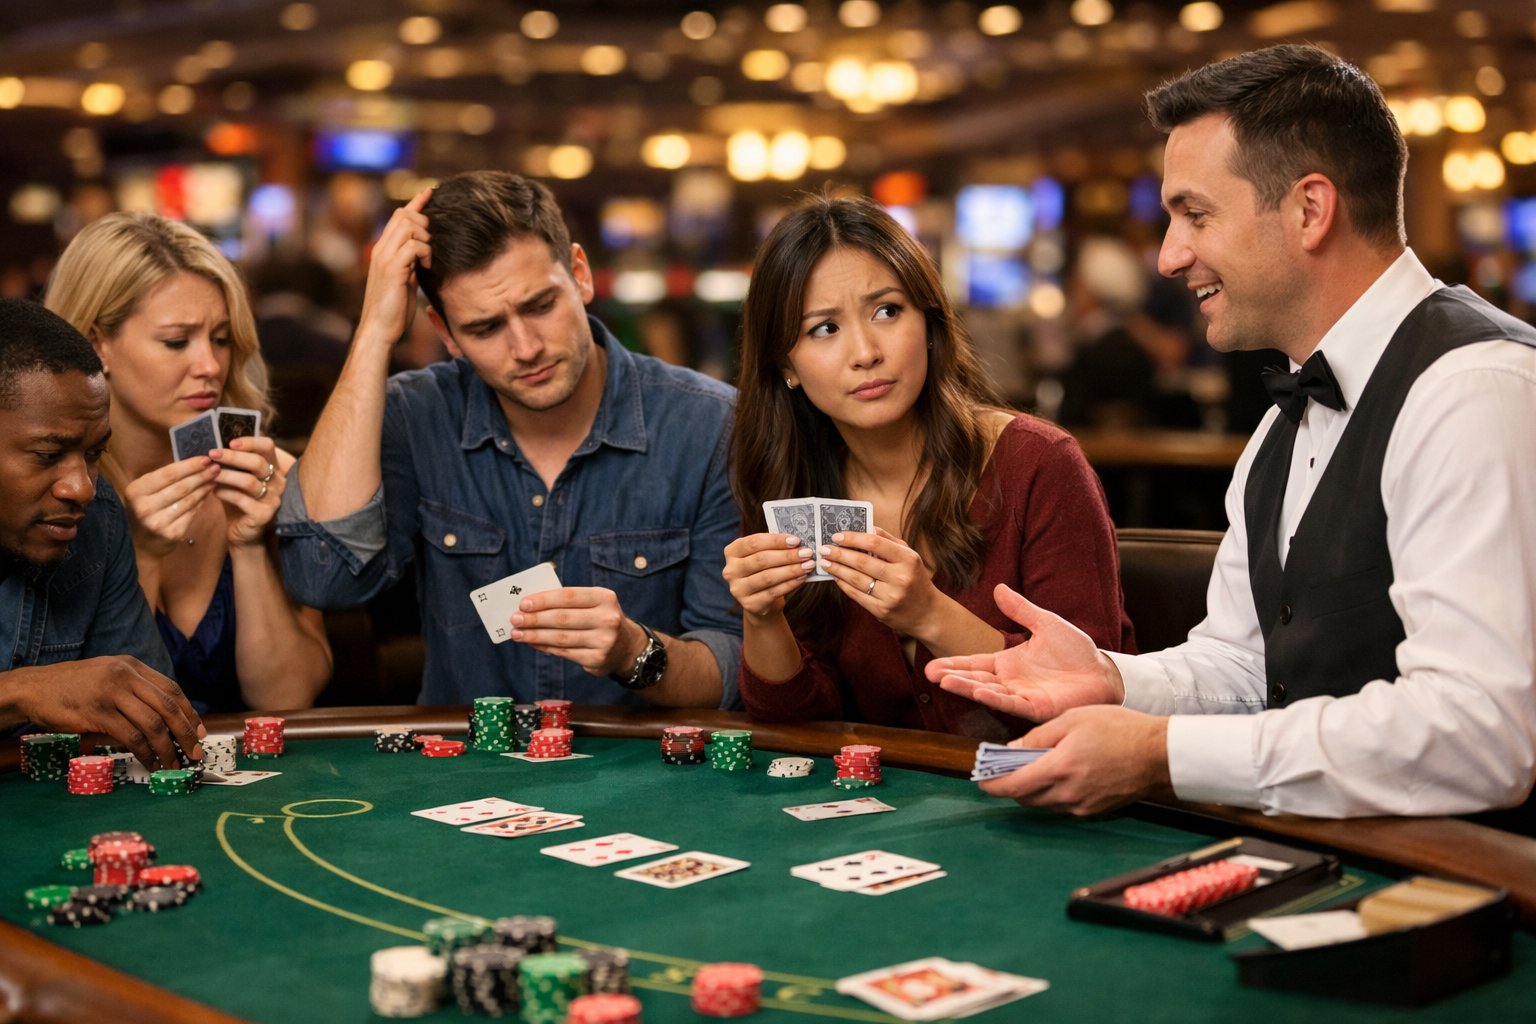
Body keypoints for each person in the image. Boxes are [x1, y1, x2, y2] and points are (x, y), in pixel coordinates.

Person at [929, 44, 1536, 825]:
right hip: (1335, 865)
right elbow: (1245, 664)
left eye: (1195, 214)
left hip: (1483, 899)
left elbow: (1479, 735)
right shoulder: (1287, 418)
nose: (1169, 256)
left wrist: (1160, 753)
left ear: (1310, 210)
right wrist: (1116, 682)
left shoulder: (1474, 391)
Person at [276, 171, 740, 707]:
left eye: (541, 306)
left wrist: (633, 652)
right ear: (445, 333)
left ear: (581, 275)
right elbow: (322, 579)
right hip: (467, 775)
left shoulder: (708, 424)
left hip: (646, 776)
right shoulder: (415, 413)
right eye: (485, 328)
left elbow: (731, 673)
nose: (526, 348)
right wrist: (374, 332)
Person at [725, 193, 1132, 740]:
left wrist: (929, 614)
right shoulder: (790, 487)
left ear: (930, 322)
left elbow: (1097, 699)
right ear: (786, 365)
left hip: (1046, 798)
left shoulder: (1039, 463)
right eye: (825, 328)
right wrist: (762, 617)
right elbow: (797, 724)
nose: (866, 351)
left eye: (887, 311)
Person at [45, 214, 332, 713]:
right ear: (96, 344)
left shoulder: (266, 473)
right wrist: (146, 555)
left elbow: (287, 698)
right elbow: (99, 717)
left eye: (221, 339)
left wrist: (247, 546)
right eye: (177, 341)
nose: (210, 366)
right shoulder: (56, 492)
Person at [0, 298, 205, 768]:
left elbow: (152, 730)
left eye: (93, 453)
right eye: (48, 454)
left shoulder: (99, 517)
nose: (82, 488)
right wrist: (25, 690)